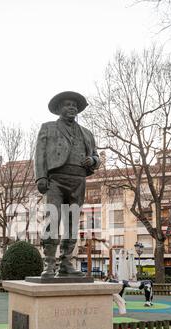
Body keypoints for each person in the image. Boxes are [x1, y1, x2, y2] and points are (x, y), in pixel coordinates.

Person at [35, 91, 100, 278]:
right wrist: (41, 177)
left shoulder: (87, 134)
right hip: (55, 179)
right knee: (52, 220)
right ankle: (49, 263)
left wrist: (93, 161)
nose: (71, 107)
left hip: (78, 179)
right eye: (67, 104)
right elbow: (39, 154)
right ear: (58, 109)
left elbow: (96, 155)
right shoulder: (48, 128)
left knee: (72, 224)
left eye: (74, 105)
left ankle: (66, 262)